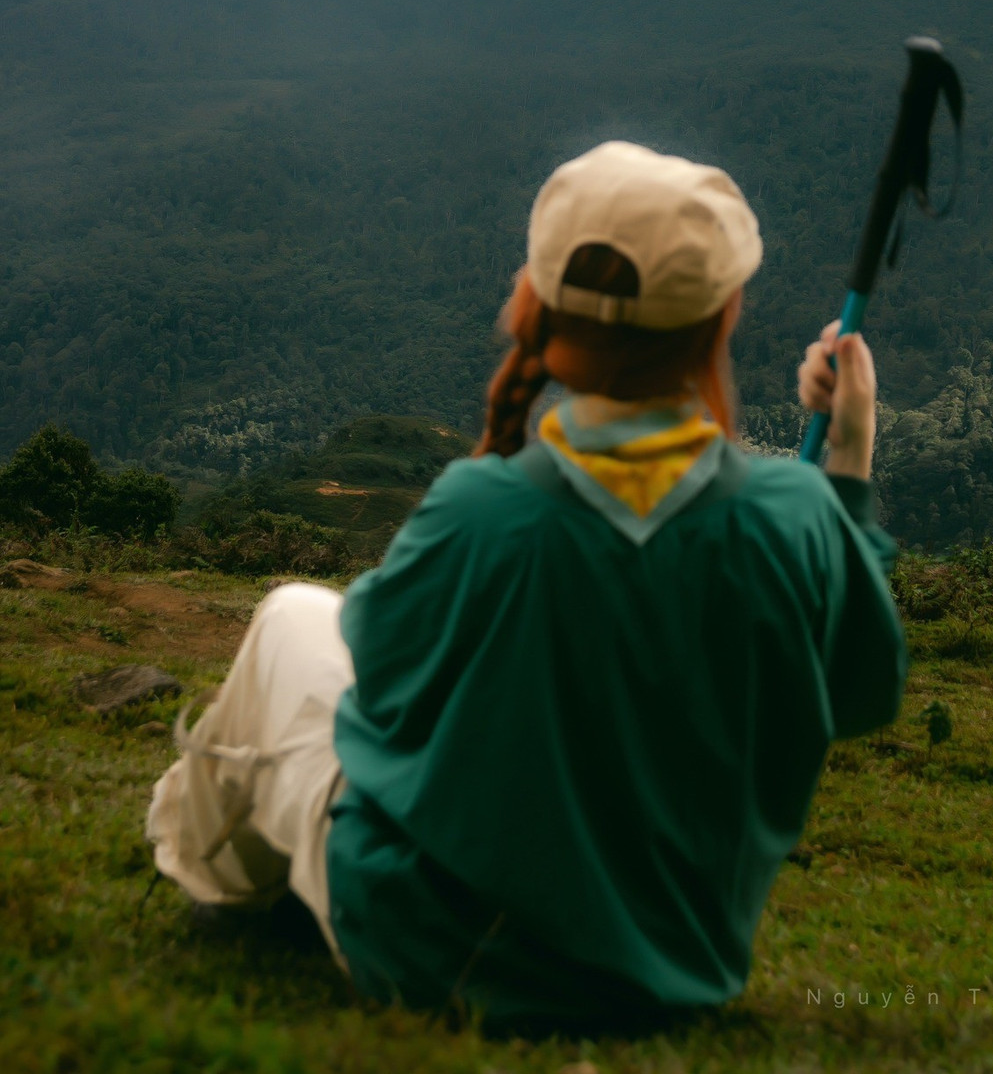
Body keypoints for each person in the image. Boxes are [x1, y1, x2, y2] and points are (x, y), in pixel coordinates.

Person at [148, 140, 906, 1033]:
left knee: (290, 619)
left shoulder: (481, 506)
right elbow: (853, 690)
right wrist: (848, 454)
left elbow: (384, 690)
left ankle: (209, 878)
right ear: (728, 312)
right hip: (670, 978)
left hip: (436, 954)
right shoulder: (796, 515)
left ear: (542, 306)